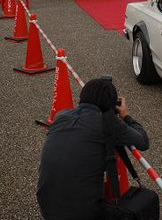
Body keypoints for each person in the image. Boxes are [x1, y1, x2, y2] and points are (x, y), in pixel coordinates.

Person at [37, 78, 149, 220]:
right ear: (112, 106)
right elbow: (143, 141)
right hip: (82, 213)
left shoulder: (61, 116)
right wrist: (126, 116)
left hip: (46, 204)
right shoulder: (107, 122)